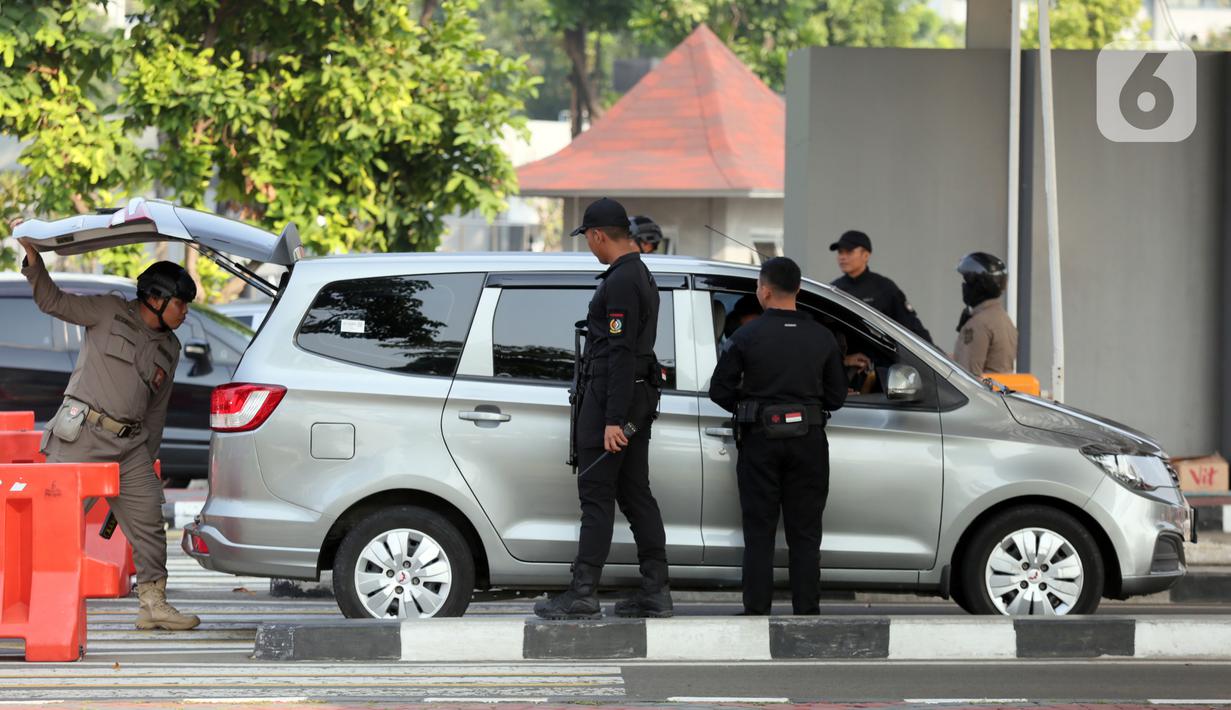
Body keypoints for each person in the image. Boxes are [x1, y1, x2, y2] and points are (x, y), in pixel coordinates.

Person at [18, 236, 201, 631]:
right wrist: (34, 262)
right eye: (181, 303)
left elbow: (156, 411)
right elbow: (52, 301)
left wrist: (149, 462)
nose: (185, 312)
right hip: (81, 436)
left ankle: (153, 603)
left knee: (149, 520)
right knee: (51, 526)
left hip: (131, 446)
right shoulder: (108, 310)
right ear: (156, 299)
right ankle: (22, 598)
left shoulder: (170, 348)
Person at [534, 198, 672, 620]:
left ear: (597, 235)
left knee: (596, 496)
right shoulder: (638, 273)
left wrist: (613, 420)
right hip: (633, 398)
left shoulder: (622, 281)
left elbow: (619, 352)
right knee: (635, 494)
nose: (589, 246)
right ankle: (655, 590)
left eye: (588, 239)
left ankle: (582, 592)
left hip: (612, 402)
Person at [709, 257, 847, 616]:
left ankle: (757, 612)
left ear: (765, 291)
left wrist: (750, 406)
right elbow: (836, 397)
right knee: (806, 534)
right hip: (809, 441)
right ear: (798, 289)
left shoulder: (745, 336)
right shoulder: (822, 337)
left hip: (760, 440)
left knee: (759, 532)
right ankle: (806, 613)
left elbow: (719, 390)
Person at [830, 230, 933, 344]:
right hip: (843, 354)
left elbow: (912, 326)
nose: (842, 257)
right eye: (840, 252)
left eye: (849, 252)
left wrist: (935, 352)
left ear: (866, 255)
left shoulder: (884, 288)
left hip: (878, 354)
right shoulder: (834, 290)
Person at [953, 252, 1018, 376]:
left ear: (979, 285)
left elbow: (966, 375)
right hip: (997, 388)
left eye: (967, 281)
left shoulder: (978, 324)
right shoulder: (1004, 319)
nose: (964, 286)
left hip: (982, 388)